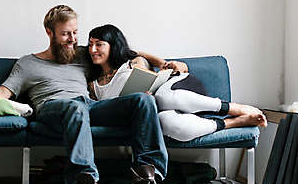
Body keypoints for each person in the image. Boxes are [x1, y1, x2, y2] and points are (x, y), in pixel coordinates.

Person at [0, 5, 176, 184]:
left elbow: (125, 51)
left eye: (75, 33)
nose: (72, 39)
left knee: (144, 100)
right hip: (54, 109)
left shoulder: (83, 54)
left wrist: (162, 63)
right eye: (65, 34)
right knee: (75, 107)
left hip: (88, 107)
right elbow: (2, 92)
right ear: (50, 33)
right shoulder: (28, 63)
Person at [85, 24, 267, 142]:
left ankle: (230, 107)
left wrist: (172, 66)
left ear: (113, 46)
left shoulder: (133, 60)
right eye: (90, 44)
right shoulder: (93, 85)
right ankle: (232, 123)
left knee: (163, 98)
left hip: (177, 89)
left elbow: (166, 66)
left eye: (99, 44)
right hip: (153, 111)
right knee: (166, 123)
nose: (93, 49)